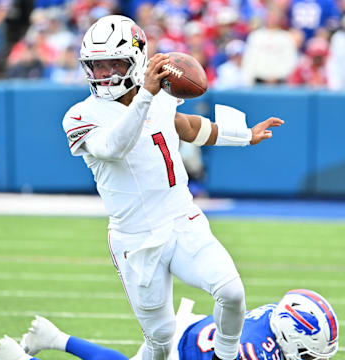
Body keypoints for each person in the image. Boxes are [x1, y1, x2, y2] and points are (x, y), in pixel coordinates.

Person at [61, 14, 284, 360]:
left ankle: (225, 358)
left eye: (113, 64)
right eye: (97, 65)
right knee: (161, 341)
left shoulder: (159, 95)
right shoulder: (80, 115)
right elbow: (114, 146)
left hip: (181, 218)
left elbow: (188, 126)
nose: (104, 74)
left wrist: (244, 136)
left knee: (232, 291)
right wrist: (146, 96)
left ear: (135, 61)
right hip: (135, 238)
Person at [0, 289, 339, 360]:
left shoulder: (272, 318)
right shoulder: (255, 351)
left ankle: (53, 337)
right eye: (309, 355)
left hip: (187, 331)